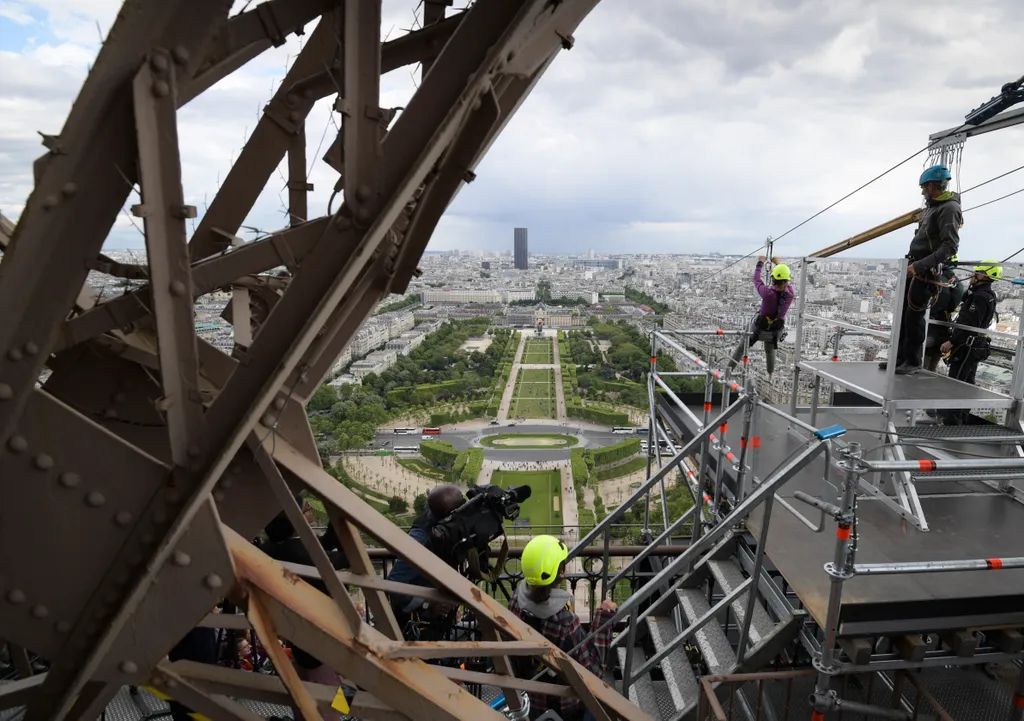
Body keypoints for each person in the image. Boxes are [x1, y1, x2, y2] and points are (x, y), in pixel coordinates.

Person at [508, 535, 617, 721]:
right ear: (561, 572)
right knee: (604, 707)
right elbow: (593, 671)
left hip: (530, 697)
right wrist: (604, 619)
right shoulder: (564, 620)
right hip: (564, 705)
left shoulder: (516, 601)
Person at [881, 165, 962, 375]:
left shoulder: (949, 209)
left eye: (923, 187)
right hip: (916, 267)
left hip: (924, 271)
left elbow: (950, 247)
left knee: (914, 318)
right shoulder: (935, 207)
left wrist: (919, 266)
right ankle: (899, 359)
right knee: (903, 316)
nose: (922, 192)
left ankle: (912, 361)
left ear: (932, 186)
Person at [386, 484, 466, 638]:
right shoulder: (419, 539)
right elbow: (394, 584)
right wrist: (428, 604)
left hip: (435, 623)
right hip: (419, 627)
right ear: (449, 514)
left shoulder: (440, 529)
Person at [939, 262, 1000, 425]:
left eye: (977, 273)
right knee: (967, 382)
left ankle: (952, 419)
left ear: (983, 276)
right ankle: (962, 416)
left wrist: (951, 342)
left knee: (956, 382)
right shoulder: (988, 294)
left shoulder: (979, 297)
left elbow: (969, 323)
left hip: (967, 345)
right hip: (976, 345)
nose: (973, 275)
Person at [728, 256, 795, 376]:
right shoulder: (790, 295)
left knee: (742, 347)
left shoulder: (767, 293)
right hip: (775, 331)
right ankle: (770, 373)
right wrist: (778, 264)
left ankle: (727, 372)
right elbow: (785, 281)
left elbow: (756, 280)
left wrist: (760, 263)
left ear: (773, 278)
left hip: (758, 329)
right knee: (770, 350)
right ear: (786, 280)